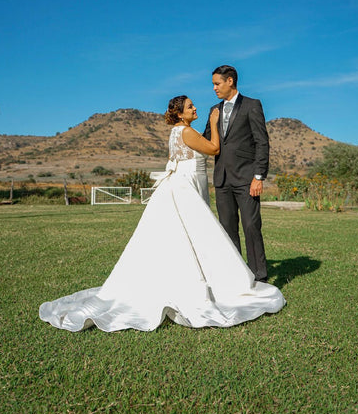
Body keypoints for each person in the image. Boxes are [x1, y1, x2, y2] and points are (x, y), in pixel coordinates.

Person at [39, 95, 285, 333]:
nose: (195, 108)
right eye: (190, 107)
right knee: (196, 232)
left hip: (185, 182)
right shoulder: (186, 131)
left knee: (189, 234)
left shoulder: (178, 131)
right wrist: (212, 123)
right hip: (185, 186)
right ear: (180, 113)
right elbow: (212, 148)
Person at [204, 65, 269, 283]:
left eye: (217, 83)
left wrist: (258, 177)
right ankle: (235, 275)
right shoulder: (214, 110)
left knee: (251, 226)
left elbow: (262, 142)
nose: (214, 88)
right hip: (222, 179)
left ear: (230, 81)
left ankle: (259, 276)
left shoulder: (252, 105)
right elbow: (207, 141)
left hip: (246, 179)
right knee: (227, 228)